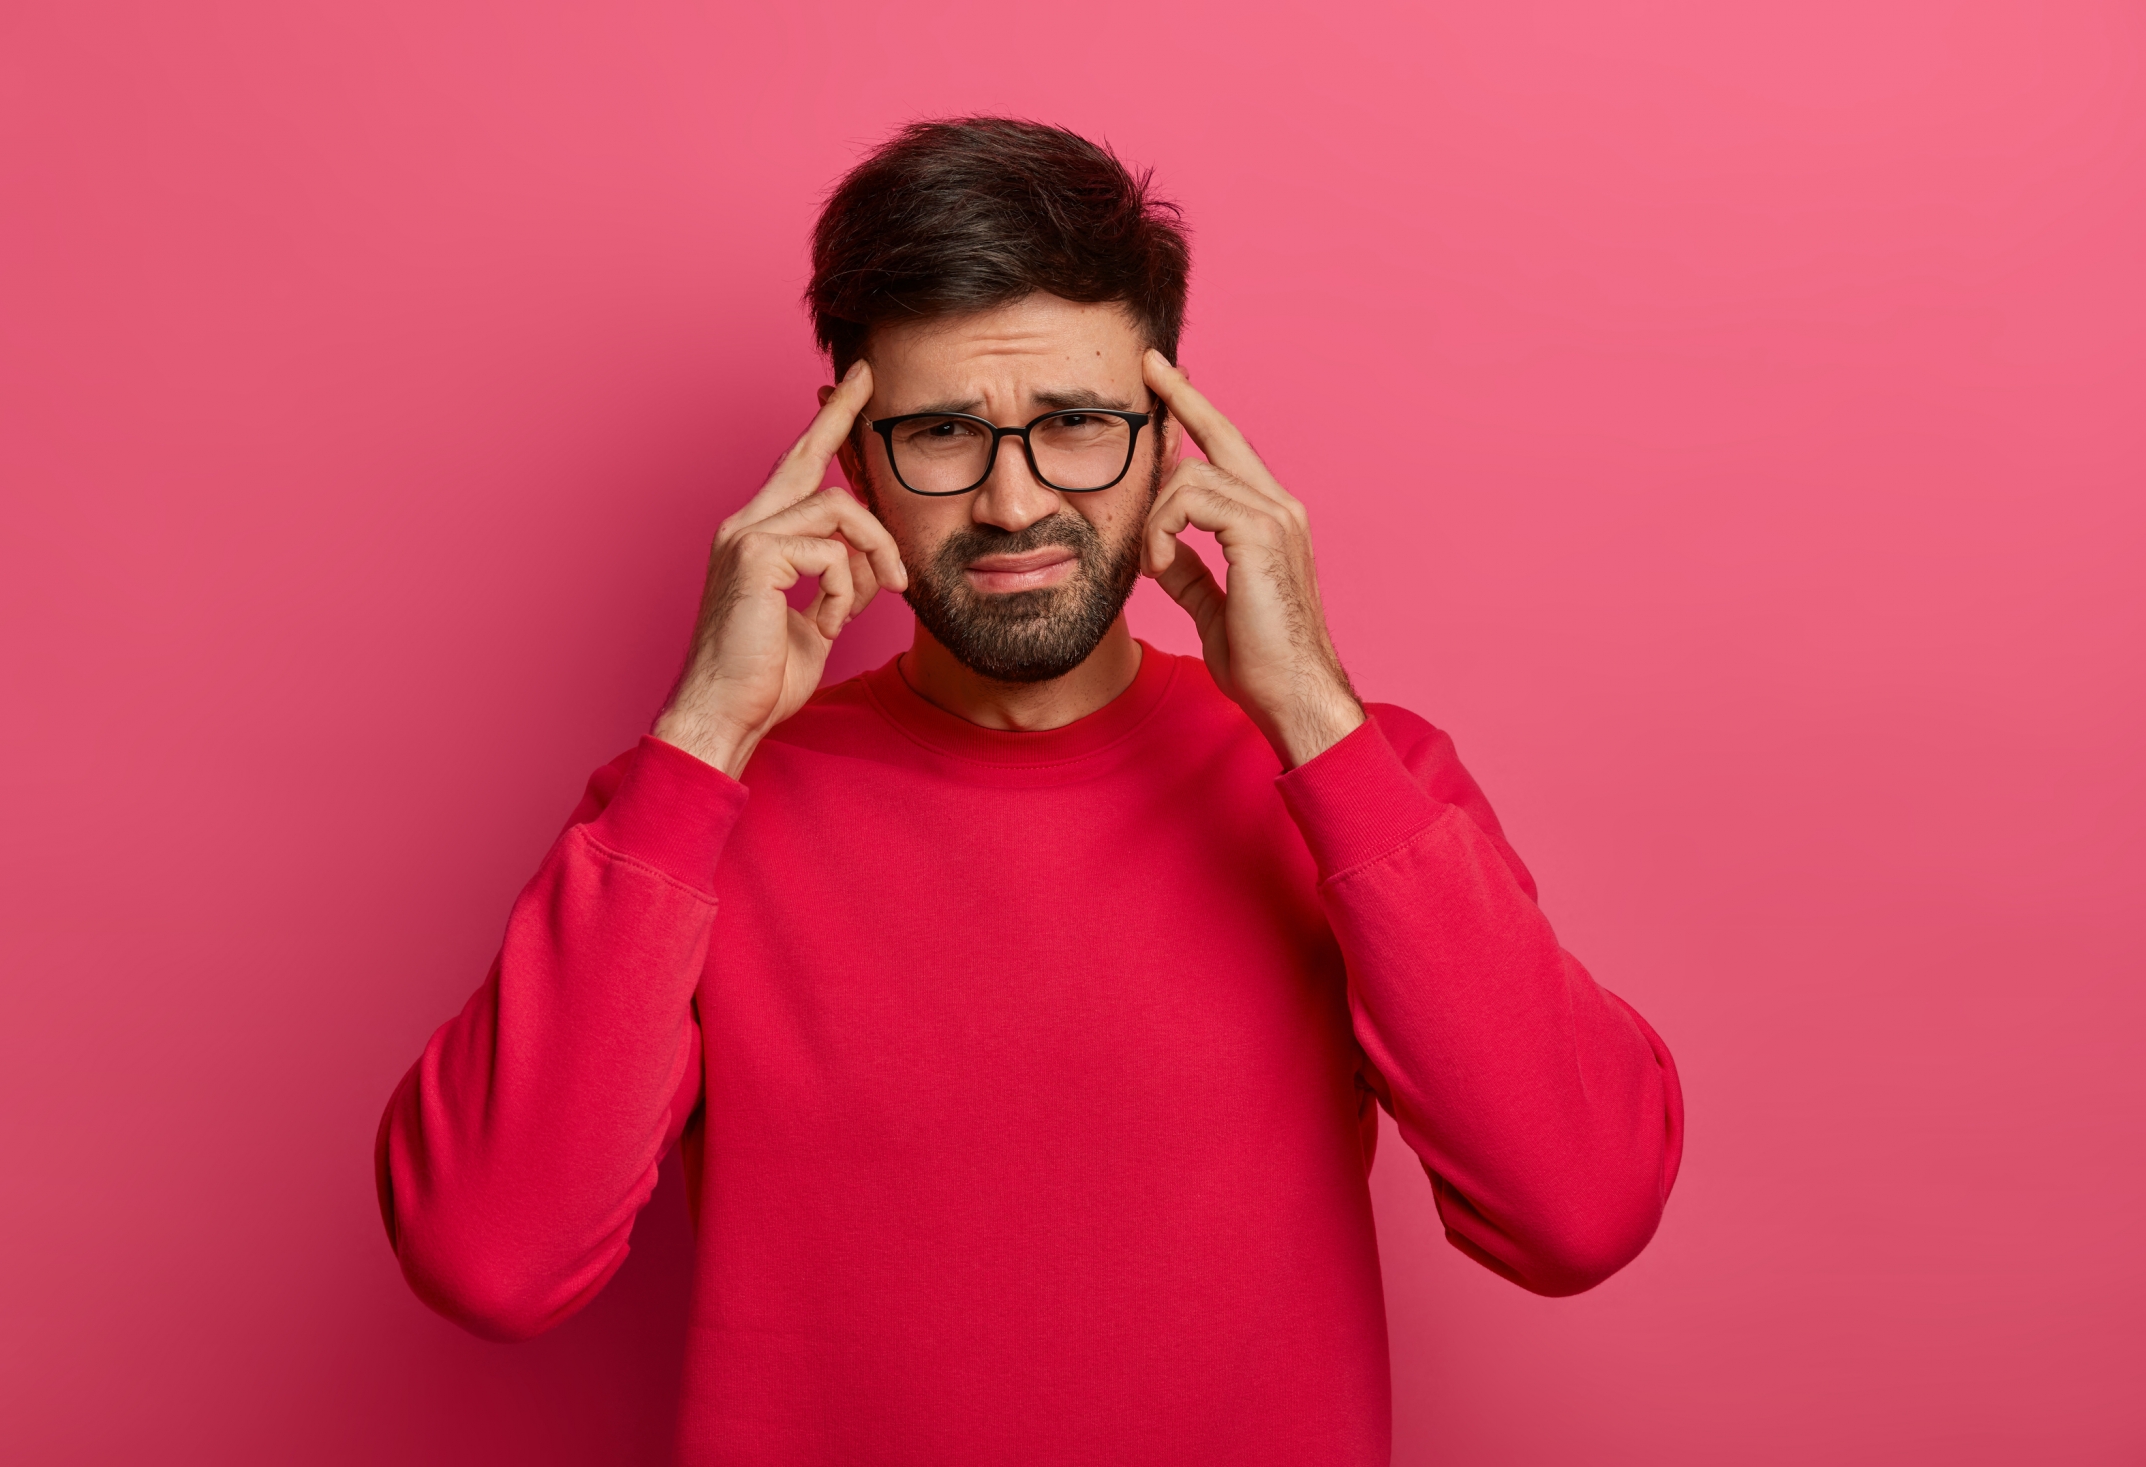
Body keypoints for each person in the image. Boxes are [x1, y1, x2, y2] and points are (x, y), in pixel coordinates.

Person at [377, 116, 1683, 1465]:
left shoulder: (1358, 782)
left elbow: (1577, 1211)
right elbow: (490, 1260)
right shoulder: (689, 815)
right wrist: (704, 735)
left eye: (1074, 425)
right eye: (941, 431)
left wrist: (1314, 719)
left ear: (1176, 434)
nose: (1011, 504)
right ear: (853, 461)